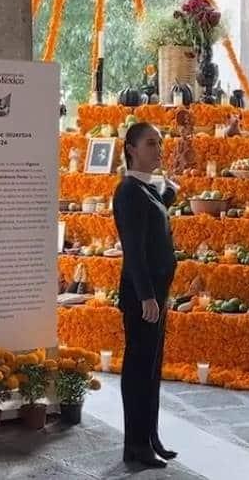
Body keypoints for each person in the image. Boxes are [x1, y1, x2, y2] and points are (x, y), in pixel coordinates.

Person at [113, 122, 179, 468]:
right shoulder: (127, 192)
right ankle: (135, 445)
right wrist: (146, 297)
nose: (158, 149)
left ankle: (150, 437)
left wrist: (169, 193)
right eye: (151, 143)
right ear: (131, 149)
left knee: (152, 370)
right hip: (145, 299)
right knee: (139, 370)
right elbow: (134, 252)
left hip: (157, 295)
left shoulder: (147, 190)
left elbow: (158, 207)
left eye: (160, 143)